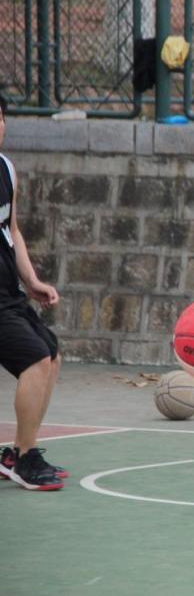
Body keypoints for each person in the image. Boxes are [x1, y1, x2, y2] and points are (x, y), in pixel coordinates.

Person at [0, 92, 66, 491]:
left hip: (9, 291)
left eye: (0, 117)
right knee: (36, 359)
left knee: (51, 355)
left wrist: (32, 280)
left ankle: (19, 452)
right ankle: (25, 460)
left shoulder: (6, 169)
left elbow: (12, 230)